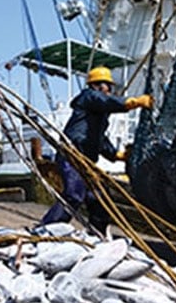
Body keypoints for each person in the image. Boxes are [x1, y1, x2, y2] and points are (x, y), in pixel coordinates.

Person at [39, 66, 152, 234]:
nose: (109, 90)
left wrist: (116, 155)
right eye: (107, 85)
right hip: (71, 157)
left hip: (87, 162)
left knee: (99, 199)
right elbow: (106, 102)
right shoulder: (88, 97)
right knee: (74, 195)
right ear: (96, 86)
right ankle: (47, 229)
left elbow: (99, 139)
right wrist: (133, 103)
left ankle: (96, 233)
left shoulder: (98, 115)